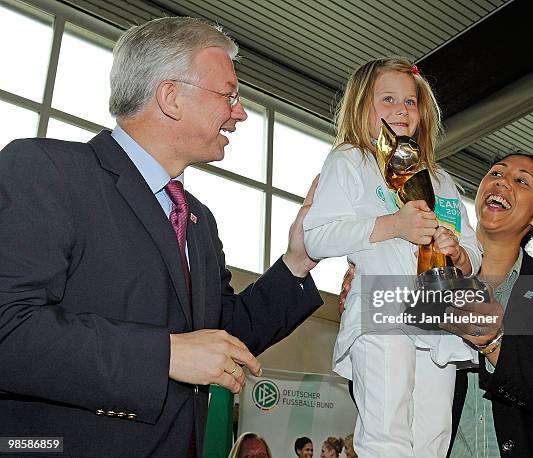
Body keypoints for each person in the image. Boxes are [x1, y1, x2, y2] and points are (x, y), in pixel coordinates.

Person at [0, 17, 322, 458]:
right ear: (170, 96)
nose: (241, 111)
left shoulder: (198, 221)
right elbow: (8, 329)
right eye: (229, 94)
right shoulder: (48, 171)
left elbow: (219, 336)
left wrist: (297, 262)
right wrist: (164, 356)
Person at [341, 152, 533, 457]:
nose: (502, 183)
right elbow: (380, 388)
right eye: (496, 174)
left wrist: (493, 343)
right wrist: (364, 310)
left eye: (520, 181)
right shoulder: (423, 276)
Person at [303, 58, 482, 457]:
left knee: (433, 440)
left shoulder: (441, 179)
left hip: (439, 316)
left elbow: (474, 249)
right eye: (387, 100)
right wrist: (393, 225)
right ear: (360, 107)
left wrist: (461, 254)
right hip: (382, 309)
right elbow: (316, 237)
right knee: (388, 435)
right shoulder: (350, 160)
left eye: (411, 102)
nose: (402, 110)